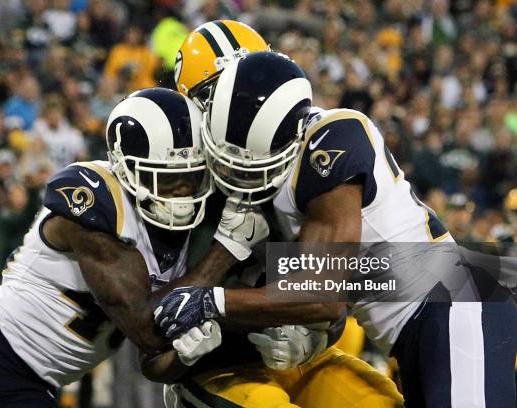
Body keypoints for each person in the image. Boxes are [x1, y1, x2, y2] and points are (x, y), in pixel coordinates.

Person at [154, 52, 517, 407]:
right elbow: (346, 285)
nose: (242, 177)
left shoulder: (331, 142)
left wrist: (214, 301)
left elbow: (323, 292)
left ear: (293, 134)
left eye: (255, 165)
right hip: (415, 324)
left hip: (454, 303)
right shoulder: (280, 173)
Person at [0, 88, 269, 407]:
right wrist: (226, 249)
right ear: (127, 168)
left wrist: (192, 356)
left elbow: (152, 359)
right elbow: (145, 324)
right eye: (167, 178)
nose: (182, 193)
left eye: (191, 176)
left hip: (35, 386)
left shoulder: (199, 226)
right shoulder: (95, 197)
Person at [150, 52, 404, 408]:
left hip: (295, 360)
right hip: (220, 366)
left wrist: (315, 338)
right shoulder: (180, 180)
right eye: (214, 94)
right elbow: (153, 330)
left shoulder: (299, 178)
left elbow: (326, 294)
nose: (234, 109)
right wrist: (223, 253)